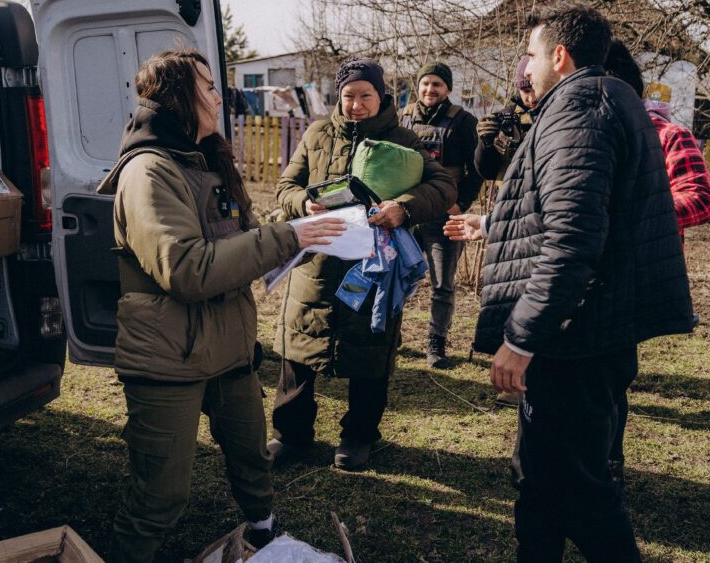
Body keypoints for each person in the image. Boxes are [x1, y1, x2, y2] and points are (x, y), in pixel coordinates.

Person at [445, 4, 693, 561]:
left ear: (559, 55)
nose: (524, 68)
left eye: (530, 55)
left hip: (574, 341)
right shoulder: (594, 101)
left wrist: (521, 338)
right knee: (539, 482)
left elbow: (572, 240)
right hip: (582, 331)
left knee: (580, 493)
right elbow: (563, 212)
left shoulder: (581, 109)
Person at [96, 50, 345, 561]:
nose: (218, 96)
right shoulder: (148, 171)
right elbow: (185, 269)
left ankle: (262, 533)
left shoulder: (207, 159)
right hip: (169, 355)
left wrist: (296, 233)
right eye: (207, 86)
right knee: (160, 495)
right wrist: (284, 237)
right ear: (177, 98)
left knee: (251, 456)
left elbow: (241, 239)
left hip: (228, 347)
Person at [269, 57, 456, 471]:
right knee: (299, 347)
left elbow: (443, 186)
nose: (356, 104)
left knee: (369, 350)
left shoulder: (404, 140)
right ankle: (291, 434)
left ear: (381, 95)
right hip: (317, 260)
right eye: (348, 96)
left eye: (364, 95)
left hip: (373, 266)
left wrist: (403, 208)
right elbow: (286, 185)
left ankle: (358, 436)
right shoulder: (318, 133)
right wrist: (303, 203)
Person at [604, 38, 710, 488]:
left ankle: (610, 462)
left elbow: (700, 199)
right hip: (583, 273)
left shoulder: (670, 135)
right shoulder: (587, 139)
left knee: (612, 374)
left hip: (636, 274)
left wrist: (633, 212)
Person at [399, 61, 483, 368]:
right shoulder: (403, 117)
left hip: (444, 216)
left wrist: (460, 205)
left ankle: (436, 344)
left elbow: (476, 171)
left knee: (442, 285)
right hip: (406, 212)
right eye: (425, 83)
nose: (429, 89)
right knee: (396, 275)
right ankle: (391, 335)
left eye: (437, 84)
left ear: (447, 89)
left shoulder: (463, 121)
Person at [474, 56, 537, 181]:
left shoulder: (557, 112)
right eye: (526, 91)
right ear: (519, 90)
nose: (532, 98)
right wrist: (486, 144)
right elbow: (487, 172)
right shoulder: (505, 117)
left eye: (535, 90)